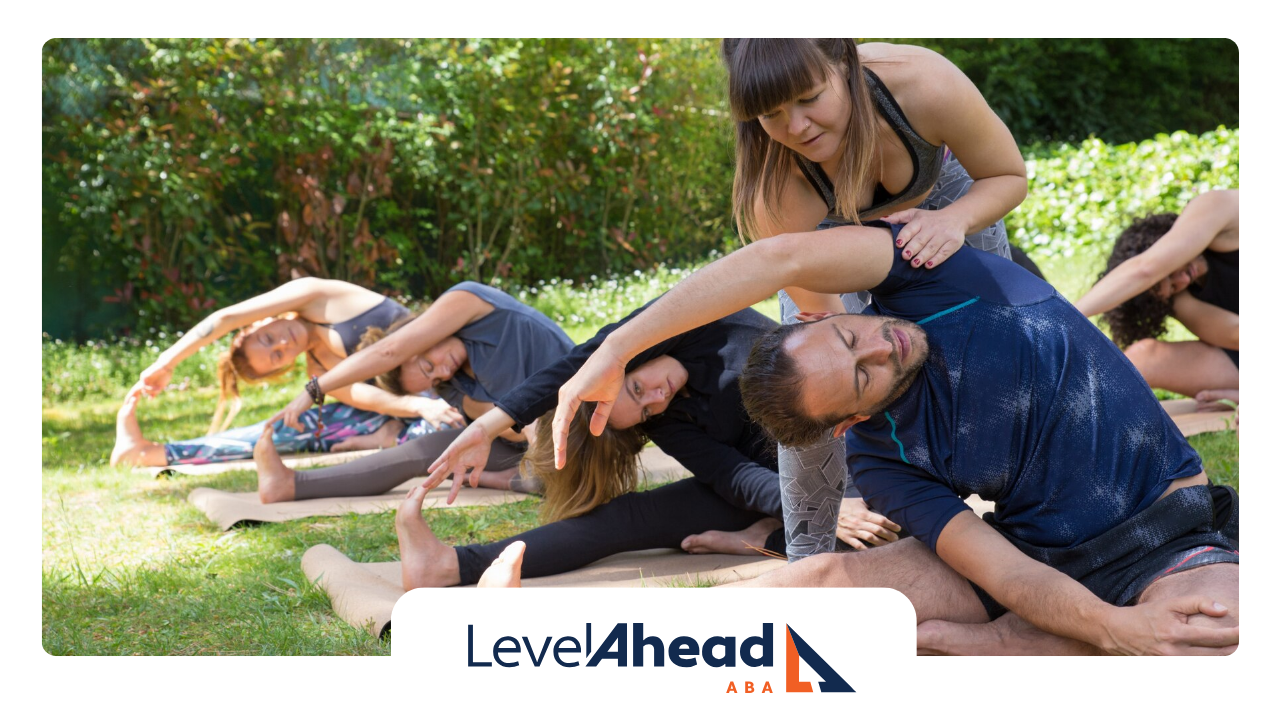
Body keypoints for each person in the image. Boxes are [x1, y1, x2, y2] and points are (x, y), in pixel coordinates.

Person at [548, 223, 1239, 656]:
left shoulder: (937, 279)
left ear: (818, 313)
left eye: (851, 336)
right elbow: (1003, 570)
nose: (882, 349)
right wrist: (1114, 630)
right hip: (1040, 557)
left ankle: (1027, 641)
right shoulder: (883, 462)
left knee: (1220, 639)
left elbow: (777, 252)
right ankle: (555, 651)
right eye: (860, 376)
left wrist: (618, 349)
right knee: (807, 584)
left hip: (1166, 536)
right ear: (849, 424)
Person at [720, 38, 1027, 557]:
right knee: (808, 388)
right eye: (771, 114)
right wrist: (857, 380)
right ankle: (810, 561)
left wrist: (953, 220)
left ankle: (1028, 515)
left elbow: (1007, 175)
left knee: (1000, 354)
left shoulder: (921, 82)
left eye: (809, 98)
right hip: (825, 242)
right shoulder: (774, 186)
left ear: (844, 63)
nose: (795, 127)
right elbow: (832, 322)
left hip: (948, 206)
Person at [395, 304, 901, 590]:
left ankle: (760, 537)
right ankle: (450, 565)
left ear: (635, 357)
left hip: (836, 451)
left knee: (875, 536)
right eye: (644, 411)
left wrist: (487, 427)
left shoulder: (694, 321)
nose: (656, 398)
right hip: (769, 487)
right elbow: (732, 477)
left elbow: (577, 362)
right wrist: (810, 508)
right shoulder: (670, 420)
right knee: (625, 519)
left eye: (637, 388)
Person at [251, 281, 574, 503]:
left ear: (416, 339)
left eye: (427, 365)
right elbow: (509, 432)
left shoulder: (471, 302)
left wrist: (315, 389)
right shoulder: (451, 384)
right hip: (526, 446)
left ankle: (521, 480)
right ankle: (290, 485)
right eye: (432, 378)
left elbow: (389, 352)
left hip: (575, 426)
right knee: (423, 452)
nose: (442, 373)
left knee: (537, 435)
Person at [110, 277, 457, 468]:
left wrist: (167, 362)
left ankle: (388, 438)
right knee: (285, 427)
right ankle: (153, 453)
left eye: (267, 337)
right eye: (277, 355)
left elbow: (226, 319)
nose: (282, 343)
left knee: (451, 433)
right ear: (285, 367)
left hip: (452, 376)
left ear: (263, 321)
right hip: (418, 409)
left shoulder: (316, 297)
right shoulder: (318, 368)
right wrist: (418, 407)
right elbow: (371, 399)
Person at [1076, 189, 1239, 410]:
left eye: (1170, 271)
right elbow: (1237, 335)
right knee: (1141, 358)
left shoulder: (1216, 207)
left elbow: (1146, 269)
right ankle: (1060, 417)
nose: (1181, 279)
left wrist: (1065, 314)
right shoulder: (1183, 295)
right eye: (1172, 286)